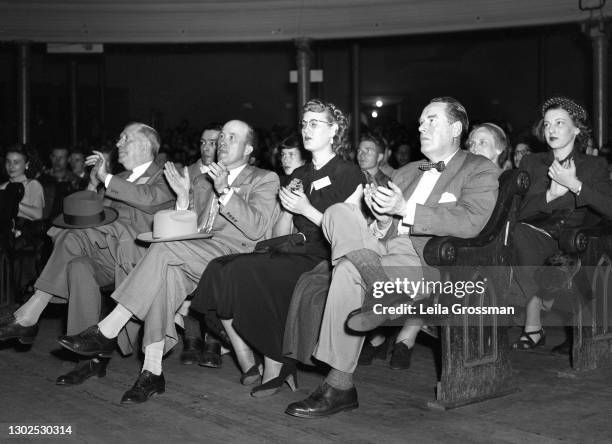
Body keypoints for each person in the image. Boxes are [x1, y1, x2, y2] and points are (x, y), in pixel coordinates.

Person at [285, 97, 499, 418]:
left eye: (431, 121)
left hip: (424, 261)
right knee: (340, 212)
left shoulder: (478, 168)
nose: (421, 127)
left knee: (345, 270)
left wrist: (404, 210)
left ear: (456, 128)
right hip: (380, 252)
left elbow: (472, 222)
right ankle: (378, 287)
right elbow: (380, 226)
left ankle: (339, 384)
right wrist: (382, 218)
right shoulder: (408, 171)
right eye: (421, 121)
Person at [58, 119, 280, 404]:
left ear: (249, 148)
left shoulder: (264, 178)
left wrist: (225, 191)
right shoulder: (204, 181)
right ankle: (152, 371)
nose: (222, 141)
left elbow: (257, 229)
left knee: (164, 250)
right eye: (221, 136)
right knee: (165, 274)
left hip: (235, 259)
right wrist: (184, 199)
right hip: (197, 253)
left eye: (232, 137)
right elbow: (191, 228)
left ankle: (107, 329)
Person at [189, 99, 364, 398]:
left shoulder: (349, 173)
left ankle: (275, 363)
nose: (307, 130)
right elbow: (280, 233)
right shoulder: (300, 174)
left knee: (249, 270)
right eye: (304, 123)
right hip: (293, 249)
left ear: (334, 130)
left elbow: (349, 235)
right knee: (221, 267)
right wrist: (286, 210)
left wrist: (306, 209)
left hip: (325, 256)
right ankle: (257, 360)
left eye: (315, 124)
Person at [0, 123, 175, 385]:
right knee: (78, 265)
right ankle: (89, 360)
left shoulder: (164, 177)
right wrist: (94, 183)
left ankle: (29, 314)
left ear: (145, 145)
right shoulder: (117, 178)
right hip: (106, 254)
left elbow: (148, 198)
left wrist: (107, 179)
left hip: (139, 260)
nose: (118, 144)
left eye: (125, 138)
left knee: (73, 235)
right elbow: (86, 213)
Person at [511, 97, 612, 351]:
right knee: (518, 231)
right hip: (536, 235)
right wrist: (550, 196)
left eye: (559, 123)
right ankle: (547, 299)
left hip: (572, 241)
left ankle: (544, 303)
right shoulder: (532, 163)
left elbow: (609, 207)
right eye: (547, 125)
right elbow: (520, 211)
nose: (552, 130)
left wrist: (575, 184)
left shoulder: (593, 165)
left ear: (576, 129)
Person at [1, 144, 45, 221]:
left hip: (27, 230)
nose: (11, 166)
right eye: (8, 161)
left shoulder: (33, 184)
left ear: (26, 164)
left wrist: (11, 202)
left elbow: (38, 214)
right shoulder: (2, 187)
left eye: (16, 162)